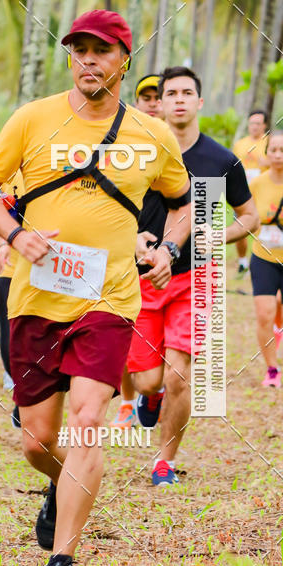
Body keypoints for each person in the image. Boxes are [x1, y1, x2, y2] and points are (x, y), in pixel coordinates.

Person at [0, 9, 191, 566]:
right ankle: (60, 483)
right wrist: (16, 234)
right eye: (78, 50)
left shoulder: (152, 134)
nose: (88, 60)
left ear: (124, 60)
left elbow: (183, 201)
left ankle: (62, 559)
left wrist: (169, 248)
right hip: (36, 297)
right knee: (38, 440)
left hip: (109, 298)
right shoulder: (32, 118)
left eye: (102, 50)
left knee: (88, 421)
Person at [129, 67, 259, 484]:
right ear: (160, 103)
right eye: (171, 93)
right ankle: (150, 398)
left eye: (187, 93)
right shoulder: (139, 153)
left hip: (196, 279)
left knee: (179, 375)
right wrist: (132, 238)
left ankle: (164, 462)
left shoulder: (221, 160)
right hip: (143, 279)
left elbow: (250, 216)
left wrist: (217, 235)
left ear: (199, 102)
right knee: (147, 381)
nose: (179, 100)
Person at [111, 73, 164, 429]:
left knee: (159, 346)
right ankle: (128, 404)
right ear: (137, 102)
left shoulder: (180, 149)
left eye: (159, 97)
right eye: (147, 97)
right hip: (122, 252)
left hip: (166, 259)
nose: (154, 103)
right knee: (120, 335)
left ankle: (154, 390)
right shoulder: (121, 142)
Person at [248, 130, 283, 386]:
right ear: (266, 154)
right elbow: (244, 214)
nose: (278, 155)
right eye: (273, 150)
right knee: (264, 314)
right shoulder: (256, 184)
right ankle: (272, 370)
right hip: (263, 257)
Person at [0, 170, 25, 428]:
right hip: (13, 267)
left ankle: (34, 398)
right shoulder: (10, 174)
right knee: (9, 338)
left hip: (50, 271)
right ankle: (22, 394)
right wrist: (3, 243)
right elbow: (0, 211)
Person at [233, 109, 269, 275]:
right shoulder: (240, 144)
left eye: (258, 123)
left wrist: (267, 163)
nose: (254, 126)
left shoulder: (269, 143)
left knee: (260, 228)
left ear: (264, 125)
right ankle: (242, 262)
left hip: (263, 193)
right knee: (240, 226)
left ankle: (261, 262)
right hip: (242, 192)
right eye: (252, 123)